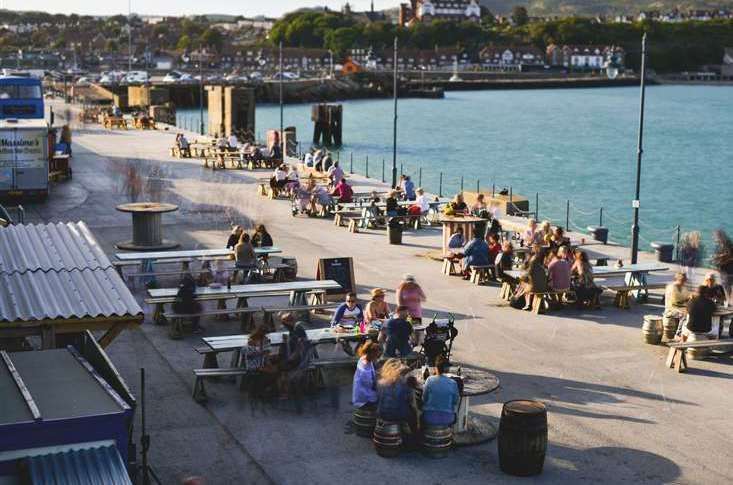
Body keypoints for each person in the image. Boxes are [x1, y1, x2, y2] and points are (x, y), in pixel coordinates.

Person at [376, 359, 418, 439]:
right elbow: (411, 402)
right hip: (397, 415)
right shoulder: (404, 382)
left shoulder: (380, 382)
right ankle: (414, 436)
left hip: (382, 413)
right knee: (413, 413)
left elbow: (378, 399)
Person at [421, 355, 459, 427]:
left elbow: (424, 399)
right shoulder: (453, 383)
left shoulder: (429, 380)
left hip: (429, 417)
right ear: (447, 370)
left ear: (436, 368)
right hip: (448, 418)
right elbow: (455, 401)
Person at [352, 341, 381, 410]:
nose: (377, 356)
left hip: (359, 393)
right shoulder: (365, 370)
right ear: (371, 353)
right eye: (376, 354)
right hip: (364, 398)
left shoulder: (363, 358)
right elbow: (371, 384)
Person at [711, 229, 733, 305]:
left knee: (727, 289)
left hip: (727, 272)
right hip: (725, 272)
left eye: (715, 237)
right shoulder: (728, 244)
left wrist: (721, 259)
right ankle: (729, 302)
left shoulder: (725, 245)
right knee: (727, 289)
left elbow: (728, 257)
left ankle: (730, 304)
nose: (714, 238)